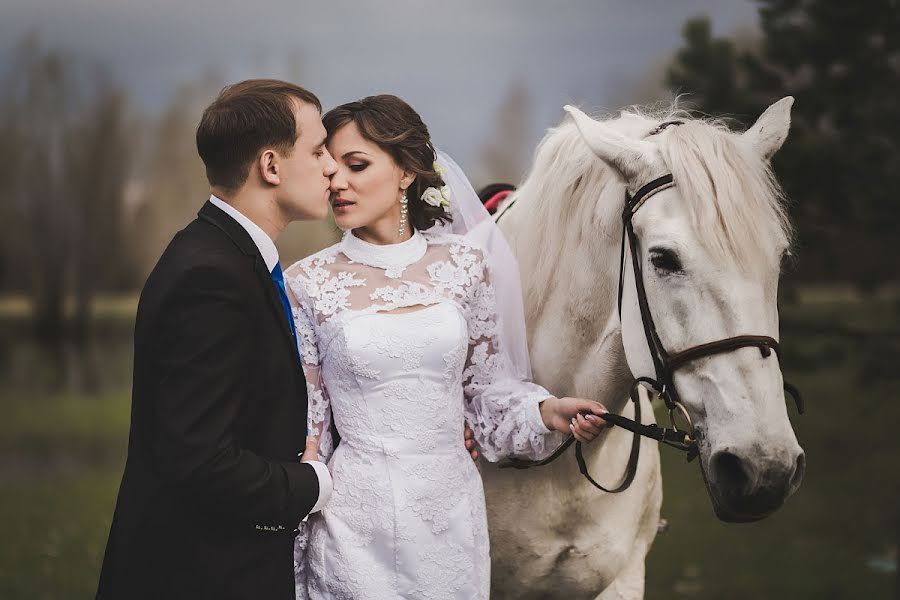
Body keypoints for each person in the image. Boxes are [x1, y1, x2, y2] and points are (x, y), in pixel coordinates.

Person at [285, 95, 608, 599]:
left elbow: (487, 394)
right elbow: (312, 424)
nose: (337, 183)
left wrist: (547, 411)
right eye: (330, 167)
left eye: (357, 165)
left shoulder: (466, 267)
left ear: (408, 171)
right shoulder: (306, 282)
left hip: (449, 513)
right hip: (352, 517)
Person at [96, 79, 340, 599]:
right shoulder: (211, 276)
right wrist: (312, 484)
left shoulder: (225, 256)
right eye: (318, 151)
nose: (331, 166)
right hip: (199, 576)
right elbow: (200, 458)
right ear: (271, 167)